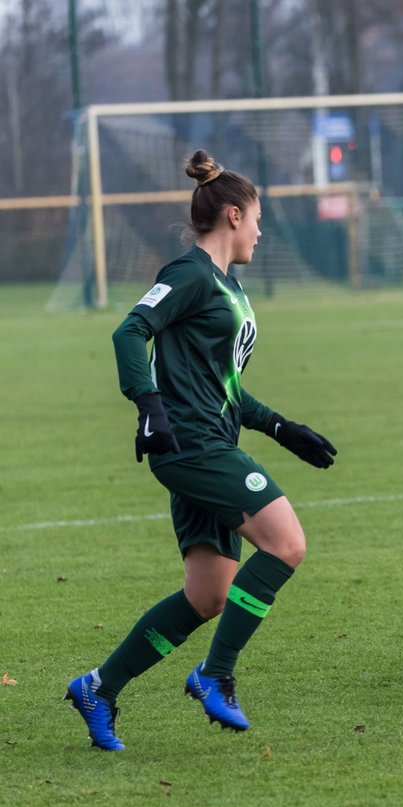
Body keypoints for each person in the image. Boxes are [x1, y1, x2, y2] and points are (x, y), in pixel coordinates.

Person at [65, 150, 337, 751]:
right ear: (234, 215)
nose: (262, 232)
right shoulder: (189, 274)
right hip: (190, 445)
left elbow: (225, 389)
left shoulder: (228, 288)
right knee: (286, 544)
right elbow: (129, 330)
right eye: (258, 220)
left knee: (209, 594)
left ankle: (98, 687)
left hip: (208, 439)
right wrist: (149, 406)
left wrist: (280, 426)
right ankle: (215, 674)